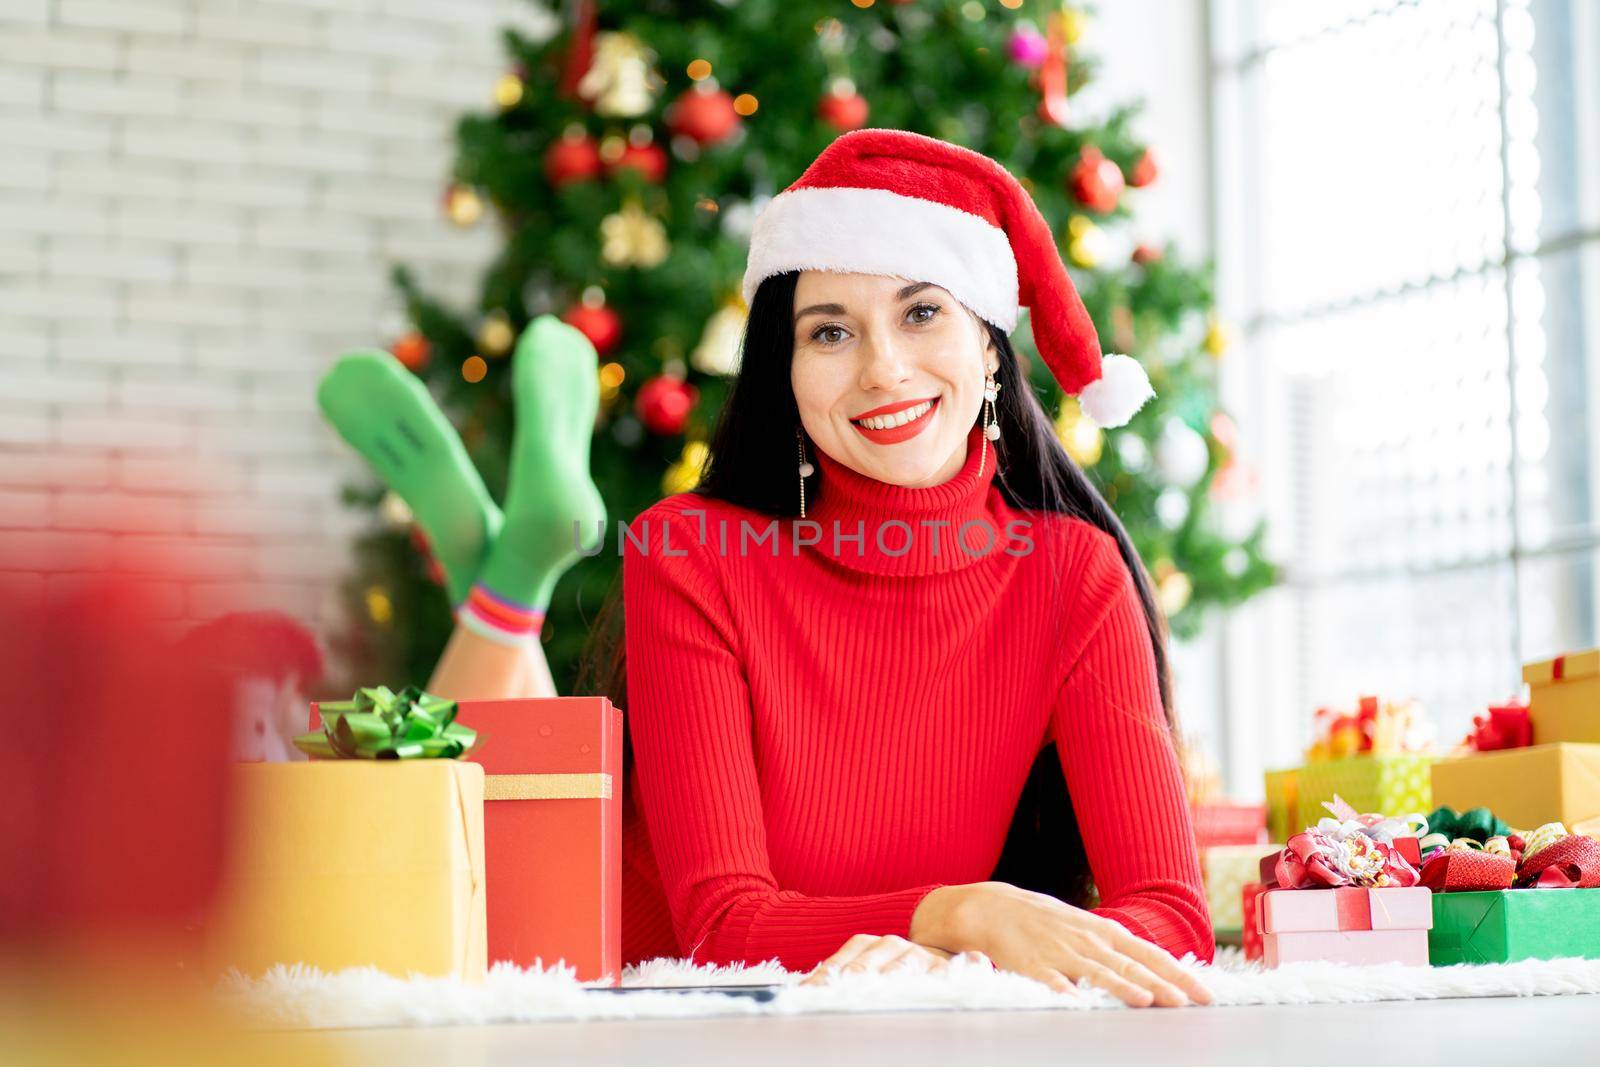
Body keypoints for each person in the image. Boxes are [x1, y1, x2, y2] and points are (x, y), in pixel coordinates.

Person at [318, 128, 1213, 1009]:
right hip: (633, 1014)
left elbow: (1173, 915)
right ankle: (507, 585)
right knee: (482, 770)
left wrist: (968, 958)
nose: (883, 369)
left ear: (990, 345)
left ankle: (505, 576)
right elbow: (723, 924)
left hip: (868, 1028)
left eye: (922, 311)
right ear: (785, 370)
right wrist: (959, 915)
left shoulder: (1072, 574)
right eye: (830, 333)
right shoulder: (692, 553)